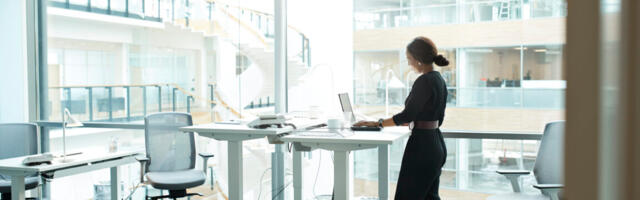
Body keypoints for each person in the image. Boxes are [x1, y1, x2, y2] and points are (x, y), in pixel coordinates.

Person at [354, 36, 449, 200]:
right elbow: (432, 116)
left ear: (418, 59)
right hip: (436, 144)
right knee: (429, 197)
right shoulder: (439, 79)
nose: (409, 63)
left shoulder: (424, 81)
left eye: (409, 59)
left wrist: (379, 123)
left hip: (423, 147)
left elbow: (407, 115)